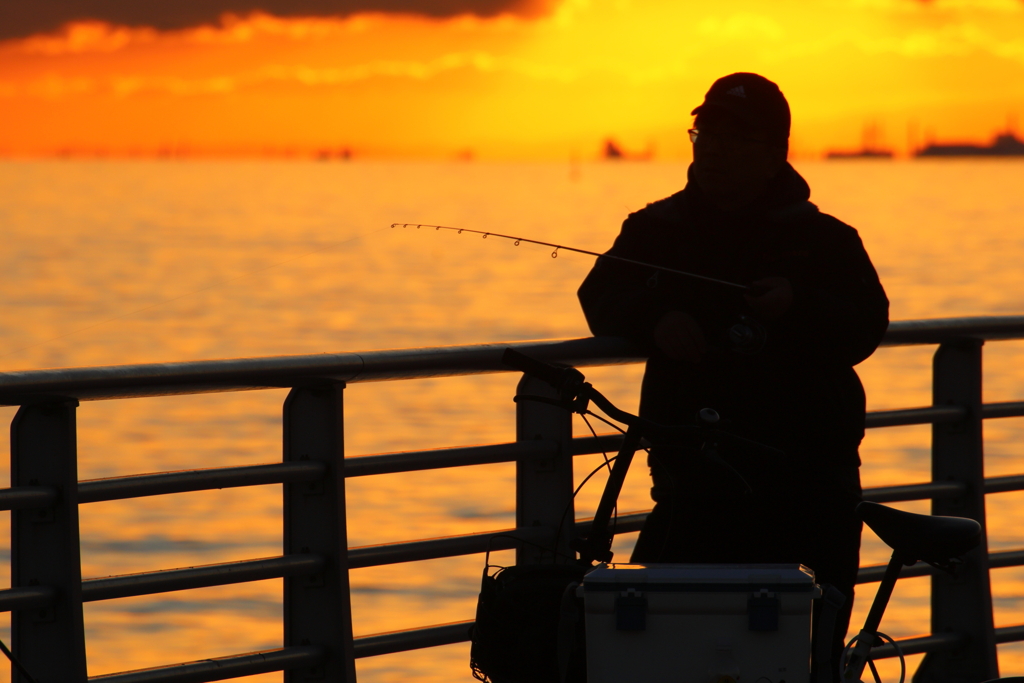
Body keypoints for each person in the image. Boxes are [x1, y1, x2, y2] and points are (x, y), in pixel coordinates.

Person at [577, 72, 889, 678]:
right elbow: (600, 294)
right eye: (705, 132)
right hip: (692, 489)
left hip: (809, 493)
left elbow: (866, 326)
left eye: (734, 137)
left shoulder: (825, 240)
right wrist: (654, 317)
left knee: (805, 662)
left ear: (775, 155)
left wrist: (798, 303)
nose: (713, 147)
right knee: (665, 660)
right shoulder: (654, 230)